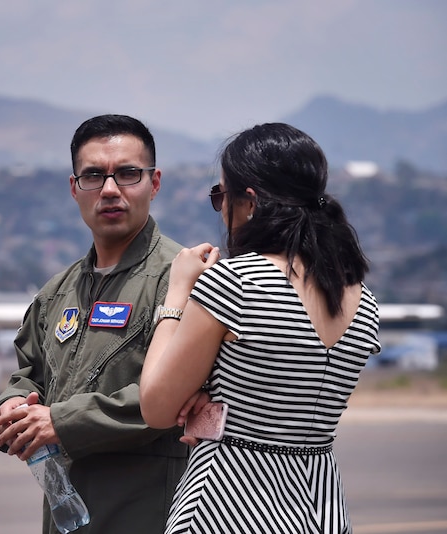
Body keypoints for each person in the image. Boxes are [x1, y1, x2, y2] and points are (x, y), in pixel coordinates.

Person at [140, 122, 381, 533]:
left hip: (226, 506)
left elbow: (156, 407)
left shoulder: (235, 282)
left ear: (248, 201)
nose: (220, 208)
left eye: (220, 196)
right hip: (320, 509)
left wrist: (178, 293)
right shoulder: (364, 300)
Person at [0, 114, 190, 534]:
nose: (111, 190)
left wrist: (61, 423)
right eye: (94, 176)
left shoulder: (183, 280)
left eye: (128, 174)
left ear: (154, 183)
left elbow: (175, 396)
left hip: (147, 511)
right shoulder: (55, 293)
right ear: (74, 188)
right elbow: (29, 374)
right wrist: (9, 406)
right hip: (69, 516)